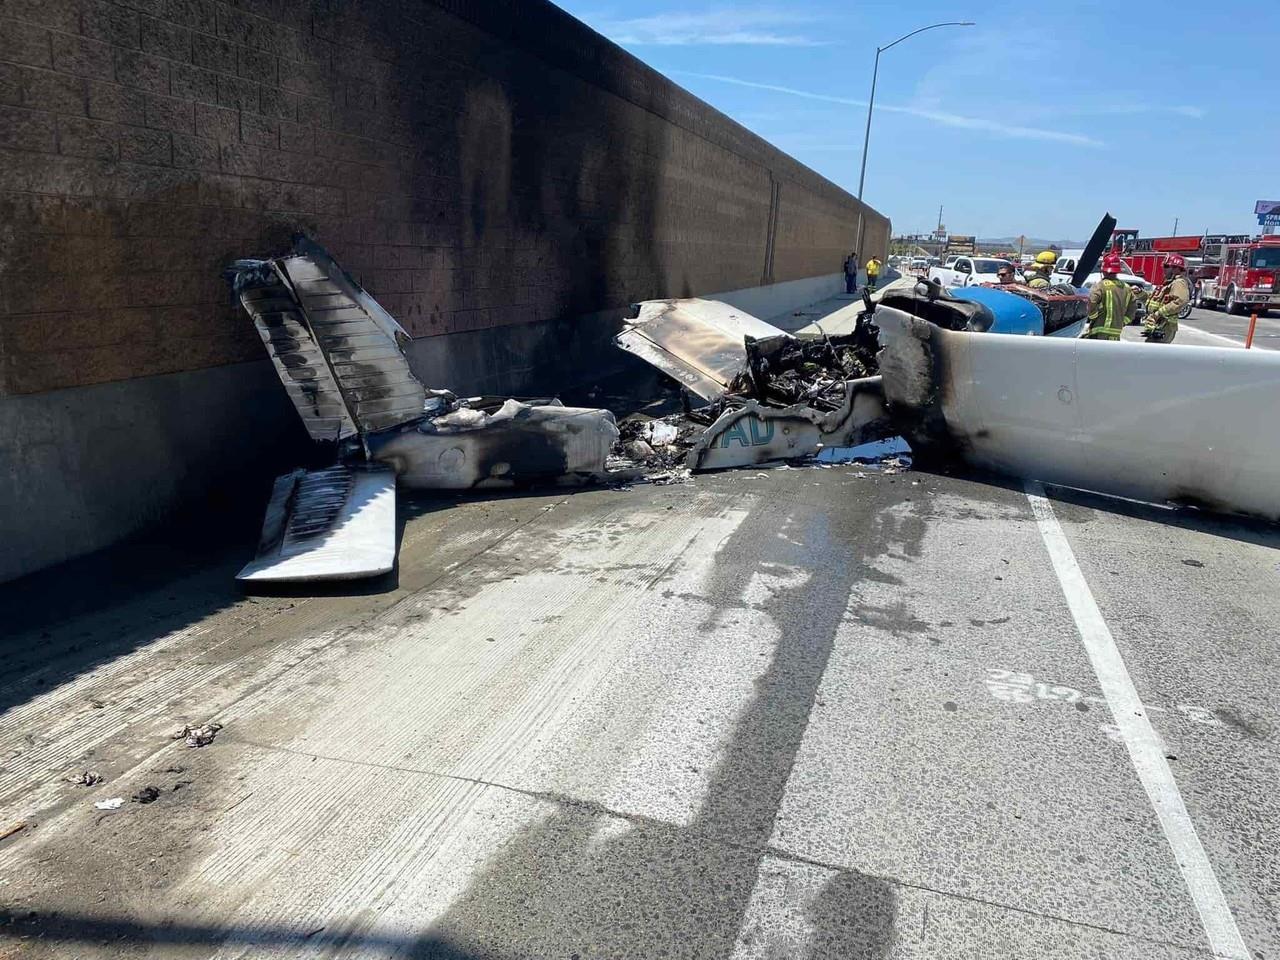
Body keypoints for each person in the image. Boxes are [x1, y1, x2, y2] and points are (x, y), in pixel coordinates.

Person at [1081, 253, 1135, 340]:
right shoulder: (1127, 288)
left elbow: (1092, 302)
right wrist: (1121, 322)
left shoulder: (1100, 286)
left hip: (1099, 333)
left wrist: (1093, 317)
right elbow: (1132, 311)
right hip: (1116, 335)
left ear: (1103, 270)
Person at [1142, 253, 1190, 343]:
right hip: (1158, 325)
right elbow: (1154, 301)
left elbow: (1180, 301)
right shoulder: (1168, 283)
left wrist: (1159, 313)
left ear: (1176, 268)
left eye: (1166, 266)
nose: (1163, 268)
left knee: (1155, 353)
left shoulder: (1178, 283)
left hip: (1165, 326)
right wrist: (1140, 294)